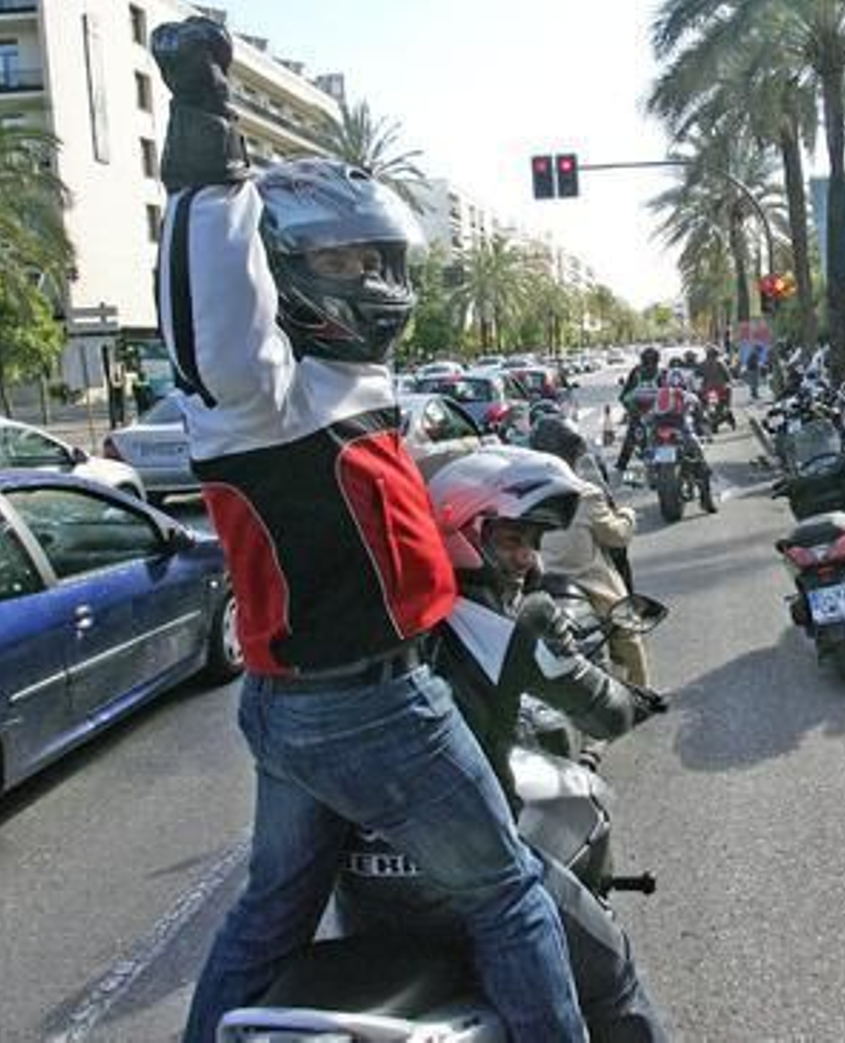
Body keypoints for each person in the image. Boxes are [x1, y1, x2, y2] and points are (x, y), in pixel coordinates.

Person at [152, 17, 582, 1043]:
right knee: (509, 892)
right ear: (287, 270)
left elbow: (387, 482)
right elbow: (211, 309)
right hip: (369, 707)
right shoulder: (255, 396)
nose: (373, 275)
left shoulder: (342, 384)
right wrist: (205, 143)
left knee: (270, 908)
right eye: (345, 255)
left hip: (298, 700)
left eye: (376, 252)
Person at [418, 445, 670, 1041]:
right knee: (614, 978)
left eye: (532, 541)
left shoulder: (392, 611)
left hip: (364, 872)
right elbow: (604, 712)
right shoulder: (519, 619)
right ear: (461, 531)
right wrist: (640, 701)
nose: (527, 559)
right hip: (470, 853)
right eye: (510, 539)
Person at [529, 416, 651, 686]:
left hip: (537, 587)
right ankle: (643, 695)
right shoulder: (584, 494)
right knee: (628, 633)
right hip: (586, 585)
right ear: (572, 455)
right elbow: (617, 537)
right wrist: (629, 515)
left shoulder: (523, 492)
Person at [614, 346, 663, 475]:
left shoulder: (656, 372)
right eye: (649, 361)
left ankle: (621, 464)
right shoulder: (654, 372)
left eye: (652, 361)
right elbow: (625, 395)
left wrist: (628, 405)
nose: (650, 365)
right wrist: (630, 407)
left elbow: (624, 394)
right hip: (646, 412)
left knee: (631, 436)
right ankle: (621, 464)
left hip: (650, 411)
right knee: (631, 435)